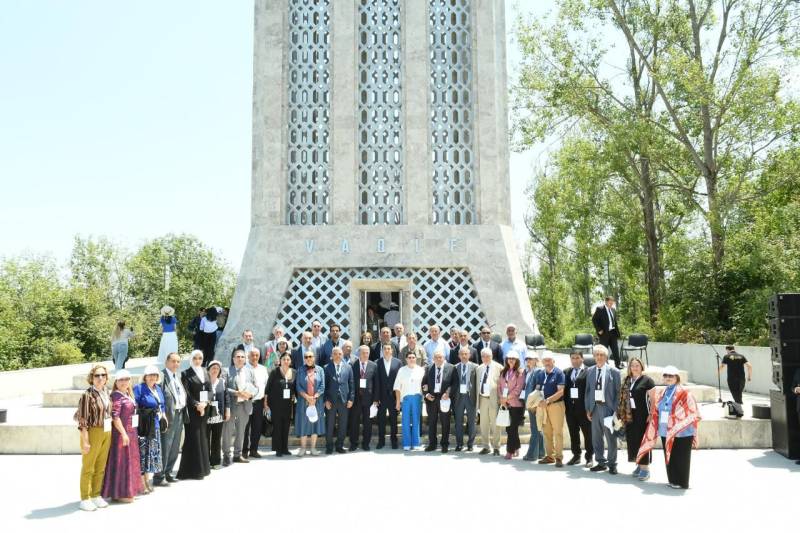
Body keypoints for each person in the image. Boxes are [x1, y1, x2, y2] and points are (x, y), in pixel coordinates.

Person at [637, 366, 701, 489]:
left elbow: (693, 411)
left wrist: (677, 419)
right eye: (665, 375)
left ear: (677, 378)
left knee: (680, 457)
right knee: (669, 455)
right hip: (665, 429)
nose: (668, 378)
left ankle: (682, 482)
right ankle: (672, 480)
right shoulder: (663, 391)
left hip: (682, 431)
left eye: (671, 376)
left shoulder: (684, 392)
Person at [75, 364, 112, 511]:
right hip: (93, 431)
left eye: (103, 375)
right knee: (88, 466)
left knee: (101, 466)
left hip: (107, 431)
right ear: (91, 378)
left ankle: (96, 495)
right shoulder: (87, 395)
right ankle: (85, 498)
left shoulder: (106, 391)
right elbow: (82, 421)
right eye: (97, 375)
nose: (100, 378)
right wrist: (85, 441)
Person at [102, 369, 143, 503]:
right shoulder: (116, 395)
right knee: (121, 462)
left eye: (126, 379)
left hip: (131, 432)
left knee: (129, 461)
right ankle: (119, 493)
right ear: (116, 381)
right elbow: (115, 416)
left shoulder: (127, 394)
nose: (124, 382)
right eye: (121, 380)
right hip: (122, 433)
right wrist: (124, 434)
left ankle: (126, 490)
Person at [584, 345, 621, 474]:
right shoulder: (590, 371)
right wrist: (588, 408)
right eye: (597, 355)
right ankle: (600, 462)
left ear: (606, 357)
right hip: (594, 409)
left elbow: (618, 393)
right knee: (596, 438)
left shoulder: (614, 372)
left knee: (610, 438)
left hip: (608, 409)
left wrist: (616, 410)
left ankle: (612, 464)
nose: (599, 357)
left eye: (602, 355)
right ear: (594, 357)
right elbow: (588, 392)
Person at [618, 357, 655, 480]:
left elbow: (653, 399)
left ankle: (645, 469)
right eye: (632, 365)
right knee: (633, 441)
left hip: (643, 416)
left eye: (637, 365)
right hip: (629, 415)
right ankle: (639, 464)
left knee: (641, 441)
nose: (635, 367)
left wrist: (651, 414)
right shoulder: (627, 380)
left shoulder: (647, 380)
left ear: (641, 367)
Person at [177, 351, 212, 479]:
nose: (198, 360)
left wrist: (205, 403)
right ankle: (192, 471)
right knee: (194, 438)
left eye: (200, 358)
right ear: (191, 359)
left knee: (203, 437)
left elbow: (210, 390)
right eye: (195, 358)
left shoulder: (205, 371)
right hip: (193, 411)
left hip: (204, 409)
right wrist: (197, 405)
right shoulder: (186, 373)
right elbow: (187, 394)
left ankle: (204, 468)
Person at [154, 352, 186, 486]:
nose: (176, 364)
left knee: (174, 446)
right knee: (165, 446)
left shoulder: (176, 376)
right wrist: (162, 415)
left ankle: (168, 472)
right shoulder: (162, 376)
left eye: (178, 362)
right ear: (166, 362)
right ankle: (159, 476)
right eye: (173, 361)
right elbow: (157, 397)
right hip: (167, 417)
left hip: (179, 414)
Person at [134, 365, 166, 493]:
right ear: (145, 376)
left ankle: (147, 479)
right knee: (143, 454)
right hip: (144, 426)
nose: (152, 377)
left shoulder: (157, 388)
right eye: (150, 375)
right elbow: (134, 404)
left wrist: (164, 415)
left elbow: (162, 405)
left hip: (156, 425)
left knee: (150, 455)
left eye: (155, 375)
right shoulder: (139, 388)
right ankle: (141, 482)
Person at [224, 349, 258, 465]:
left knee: (241, 432)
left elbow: (256, 387)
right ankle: (226, 455)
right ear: (233, 359)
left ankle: (237, 455)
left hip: (245, 406)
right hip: (231, 406)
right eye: (237, 357)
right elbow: (224, 388)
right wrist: (237, 393)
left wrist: (251, 394)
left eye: (242, 357)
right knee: (228, 431)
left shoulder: (250, 371)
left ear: (245, 359)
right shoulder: (226, 371)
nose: (240, 359)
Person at [535, 352, 566, 467]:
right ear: (542, 362)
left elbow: (561, 391)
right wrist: (535, 401)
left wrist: (547, 400)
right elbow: (537, 389)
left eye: (549, 360)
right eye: (545, 360)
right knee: (547, 432)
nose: (547, 363)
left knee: (557, 432)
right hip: (543, 406)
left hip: (556, 405)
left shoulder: (559, 373)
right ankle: (550, 456)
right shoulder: (540, 374)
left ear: (553, 361)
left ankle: (558, 457)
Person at [563, 350, 593, 467]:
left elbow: (591, 391)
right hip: (570, 409)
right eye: (573, 358)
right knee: (573, 433)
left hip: (584, 410)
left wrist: (590, 408)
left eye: (577, 358)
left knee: (587, 434)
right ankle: (576, 456)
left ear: (582, 359)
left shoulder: (589, 372)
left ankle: (589, 457)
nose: (575, 360)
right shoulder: (566, 372)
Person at [423, 350, 455, 453]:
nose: (438, 359)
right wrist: (427, 394)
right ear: (433, 359)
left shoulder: (451, 368)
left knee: (445, 422)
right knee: (432, 422)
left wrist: (448, 393)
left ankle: (444, 444)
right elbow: (423, 383)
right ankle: (432, 444)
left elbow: (454, 383)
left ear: (444, 358)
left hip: (444, 399)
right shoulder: (428, 369)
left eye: (440, 357)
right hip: (432, 399)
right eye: (436, 357)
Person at [324, 347, 354, 454]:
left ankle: (339, 445)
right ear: (332, 355)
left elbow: (351, 384)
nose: (338, 356)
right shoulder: (326, 368)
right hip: (331, 401)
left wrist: (351, 399)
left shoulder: (348, 367)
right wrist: (326, 400)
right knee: (330, 424)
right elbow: (324, 386)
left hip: (344, 400)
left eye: (340, 354)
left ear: (342, 355)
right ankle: (329, 446)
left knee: (343, 424)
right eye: (335, 354)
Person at [296, 350, 326, 456]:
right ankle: (303, 448)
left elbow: (322, 386)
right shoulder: (300, 370)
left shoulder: (320, 370)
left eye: (310, 356)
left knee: (315, 424)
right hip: (303, 401)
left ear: (314, 357)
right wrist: (307, 397)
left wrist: (315, 397)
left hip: (316, 402)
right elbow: (298, 386)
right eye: (306, 356)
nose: (308, 358)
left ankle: (313, 448)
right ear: (304, 358)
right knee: (303, 424)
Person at [265, 353, 296, 457]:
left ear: (290, 361)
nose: (286, 361)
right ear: (280, 360)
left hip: (288, 405)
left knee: (286, 427)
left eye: (288, 359)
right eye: (284, 359)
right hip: (275, 404)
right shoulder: (275, 372)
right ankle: (278, 449)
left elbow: (295, 388)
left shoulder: (294, 372)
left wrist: (294, 397)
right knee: (277, 427)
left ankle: (285, 448)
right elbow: (267, 389)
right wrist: (265, 404)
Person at [394, 351, 426, 450]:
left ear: (416, 359)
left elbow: (425, 385)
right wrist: (398, 402)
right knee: (405, 421)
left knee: (416, 420)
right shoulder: (401, 370)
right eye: (409, 357)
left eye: (413, 357)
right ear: (406, 359)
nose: (411, 359)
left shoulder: (421, 370)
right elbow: (397, 387)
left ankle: (416, 443)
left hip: (417, 397)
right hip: (406, 398)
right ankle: (406, 443)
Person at [350, 344, 378, 450]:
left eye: (367, 353)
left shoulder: (373, 365)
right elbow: (350, 382)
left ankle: (366, 444)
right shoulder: (353, 365)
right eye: (363, 352)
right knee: (354, 422)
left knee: (368, 423)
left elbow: (376, 384)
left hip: (369, 400)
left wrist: (375, 399)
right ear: (359, 353)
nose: (365, 354)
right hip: (356, 399)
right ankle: (354, 443)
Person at [497, 351, 524, 459]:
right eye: (509, 358)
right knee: (509, 429)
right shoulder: (503, 371)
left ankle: (510, 451)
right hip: (505, 403)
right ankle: (516, 446)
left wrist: (507, 398)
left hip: (516, 405)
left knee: (513, 428)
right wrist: (501, 398)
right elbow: (499, 386)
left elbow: (519, 388)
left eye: (513, 358)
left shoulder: (520, 372)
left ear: (517, 360)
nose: (511, 360)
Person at [476, 348, 503, 455]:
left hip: (494, 399)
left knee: (496, 424)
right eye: (483, 356)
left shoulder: (499, 367)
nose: (486, 358)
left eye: (488, 356)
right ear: (481, 357)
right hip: (483, 399)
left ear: (492, 356)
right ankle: (485, 446)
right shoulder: (479, 368)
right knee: (484, 424)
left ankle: (496, 447)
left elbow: (503, 384)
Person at [376, 341, 402, 449]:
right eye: (385, 349)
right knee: (381, 420)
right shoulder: (377, 362)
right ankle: (381, 441)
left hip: (393, 397)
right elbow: (376, 381)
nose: (387, 350)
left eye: (388, 349)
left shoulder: (398, 363)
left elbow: (400, 380)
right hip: (381, 397)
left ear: (392, 351)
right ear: (382, 351)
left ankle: (394, 440)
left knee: (393, 420)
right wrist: (376, 398)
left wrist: (398, 399)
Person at [243, 347, 268, 459]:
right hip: (246, 402)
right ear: (248, 356)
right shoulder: (243, 368)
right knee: (245, 428)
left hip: (259, 402)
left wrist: (266, 403)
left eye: (257, 355)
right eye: (252, 355)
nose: (254, 357)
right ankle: (244, 451)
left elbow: (266, 386)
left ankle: (254, 450)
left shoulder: (263, 369)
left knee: (257, 427)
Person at [452, 346, 478, 451]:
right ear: (458, 356)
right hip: (458, 397)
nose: (463, 356)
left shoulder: (476, 367)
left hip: (470, 396)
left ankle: (470, 444)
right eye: (461, 354)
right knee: (458, 421)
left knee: (472, 421)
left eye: (466, 354)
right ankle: (459, 444)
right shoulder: (454, 367)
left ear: (469, 355)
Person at [521, 352, 544, 462]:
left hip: (534, 405)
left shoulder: (538, 371)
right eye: (527, 359)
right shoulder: (527, 372)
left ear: (536, 360)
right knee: (538, 429)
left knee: (534, 429)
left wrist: (535, 405)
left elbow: (538, 390)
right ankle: (541, 453)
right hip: (529, 404)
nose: (528, 361)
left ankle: (531, 454)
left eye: (530, 359)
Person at [207, 360, 230, 469]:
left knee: (216, 438)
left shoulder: (222, 381)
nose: (215, 370)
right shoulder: (205, 381)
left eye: (217, 368)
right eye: (213, 368)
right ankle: (206, 461)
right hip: (207, 414)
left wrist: (227, 410)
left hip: (218, 414)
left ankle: (215, 462)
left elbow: (226, 397)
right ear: (209, 370)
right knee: (206, 438)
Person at [592, 296, 622, 369]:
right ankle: (604, 365)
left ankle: (617, 365)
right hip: (604, 333)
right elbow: (594, 320)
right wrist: (599, 330)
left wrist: (618, 332)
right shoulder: (600, 309)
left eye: (612, 301)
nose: (611, 303)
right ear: (606, 301)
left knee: (615, 349)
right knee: (604, 350)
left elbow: (615, 322)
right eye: (610, 301)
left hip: (613, 332)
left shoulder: (613, 309)